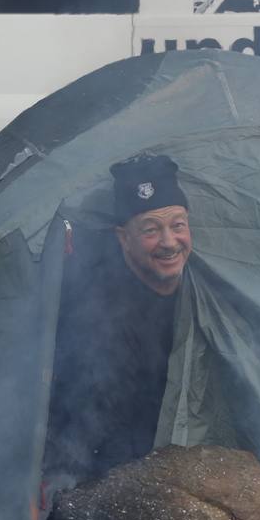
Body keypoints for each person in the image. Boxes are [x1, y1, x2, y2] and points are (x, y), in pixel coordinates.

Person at [43, 153, 193, 484]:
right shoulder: (93, 309)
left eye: (178, 226)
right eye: (151, 230)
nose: (169, 242)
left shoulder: (204, 296)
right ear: (123, 238)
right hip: (110, 468)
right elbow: (77, 414)